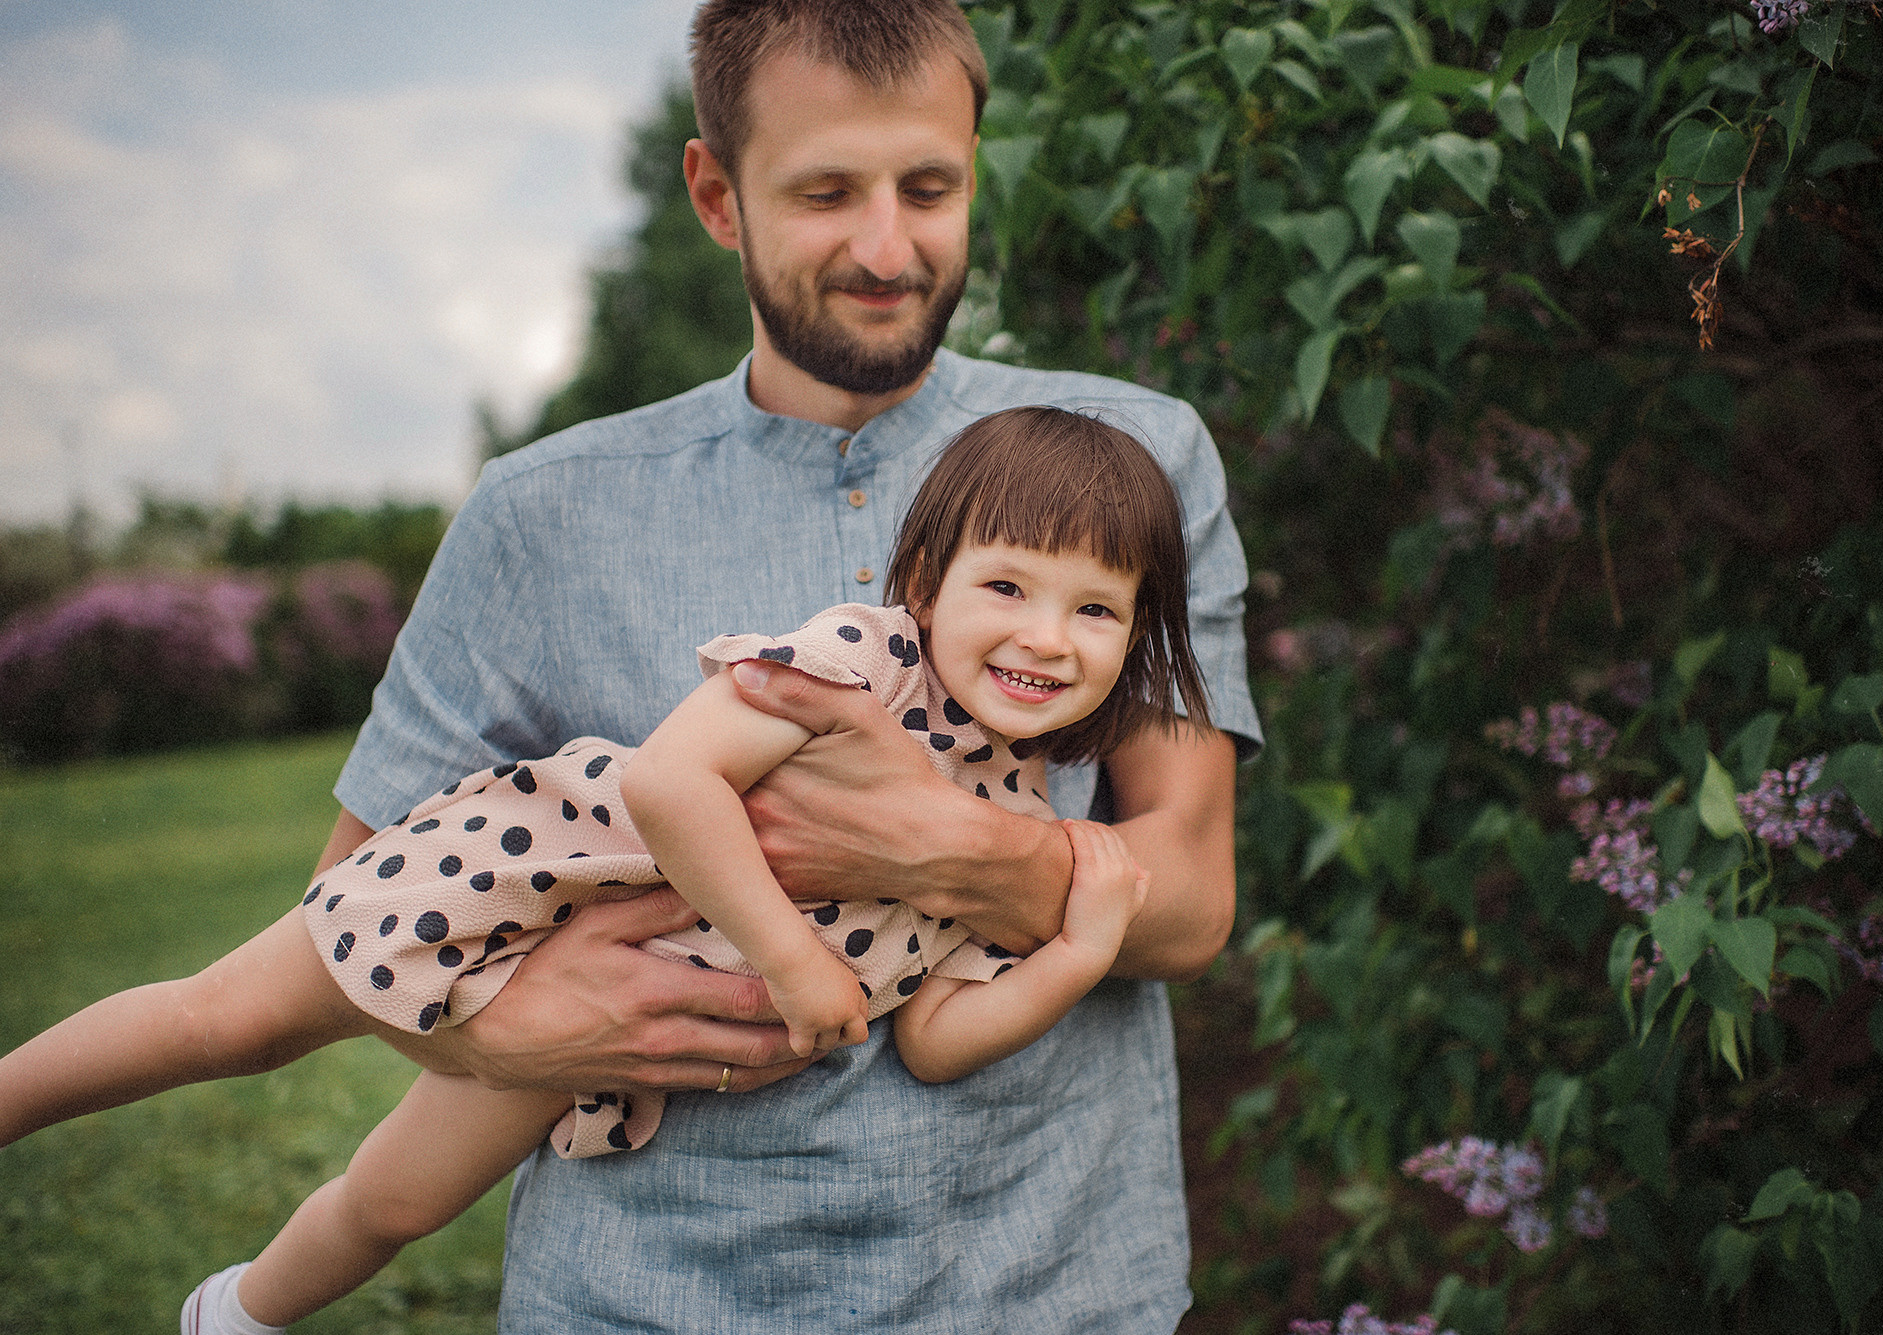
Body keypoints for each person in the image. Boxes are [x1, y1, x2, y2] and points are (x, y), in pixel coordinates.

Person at [230, 0, 1255, 1328]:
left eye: (929, 186)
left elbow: (1190, 897)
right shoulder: (541, 509)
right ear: (717, 194)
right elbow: (354, 903)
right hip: (647, 1296)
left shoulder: (1134, 457)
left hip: (1051, 1287)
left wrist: (934, 846)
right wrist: (507, 1034)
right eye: (826, 191)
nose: (889, 248)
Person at [0, 408, 1212, 1334]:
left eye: (1094, 611)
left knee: (402, 1202)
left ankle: (238, 1315)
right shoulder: (859, 668)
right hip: (522, 874)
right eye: (1006, 586)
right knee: (230, 1018)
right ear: (925, 579)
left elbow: (937, 1037)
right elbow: (669, 783)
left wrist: (1078, 951)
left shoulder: (1020, 808)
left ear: (1137, 634)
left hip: (619, 1011)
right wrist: (791, 957)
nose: (1045, 636)